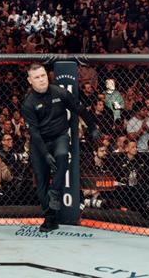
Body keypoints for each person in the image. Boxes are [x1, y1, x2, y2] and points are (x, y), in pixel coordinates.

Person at [21, 63, 100, 232]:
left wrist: (93, 127)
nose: (41, 80)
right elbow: (34, 133)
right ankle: (50, 219)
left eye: (43, 75)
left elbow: (80, 109)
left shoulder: (60, 92)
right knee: (41, 183)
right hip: (39, 143)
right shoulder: (28, 103)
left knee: (63, 155)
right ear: (30, 80)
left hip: (59, 136)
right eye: (37, 77)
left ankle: (56, 192)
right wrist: (45, 154)